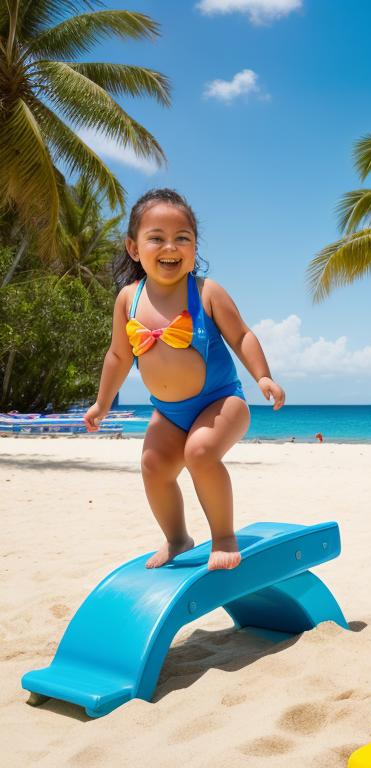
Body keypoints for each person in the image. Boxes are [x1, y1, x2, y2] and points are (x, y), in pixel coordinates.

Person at [85, 189, 285, 570]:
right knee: (153, 466)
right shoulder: (129, 299)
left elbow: (242, 335)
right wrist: (102, 402)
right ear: (133, 248)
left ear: (194, 247)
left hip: (222, 401)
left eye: (183, 238)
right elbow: (118, 355)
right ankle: (178, 539)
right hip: (169, 412)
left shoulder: (206, 292)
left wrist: (264, 376)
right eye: (156, 237)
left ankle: (224, 536)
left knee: (200, 453)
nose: (170, 246)